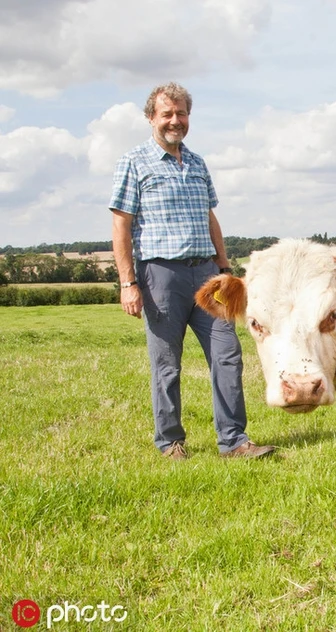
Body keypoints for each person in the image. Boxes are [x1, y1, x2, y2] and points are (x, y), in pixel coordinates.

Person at [109, 82, 275, 460]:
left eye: (181, 113)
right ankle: (170, 442)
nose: (175, 121)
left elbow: (209, 217)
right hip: (160, 276)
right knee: (167, 363)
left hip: (206, 275)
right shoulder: (134, 162)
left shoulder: (197, 163)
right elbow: (121, 224)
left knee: (228, 353)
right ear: (151, 117)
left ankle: (234, 440)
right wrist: (127, 282)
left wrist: (224, 267)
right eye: (167, 114)